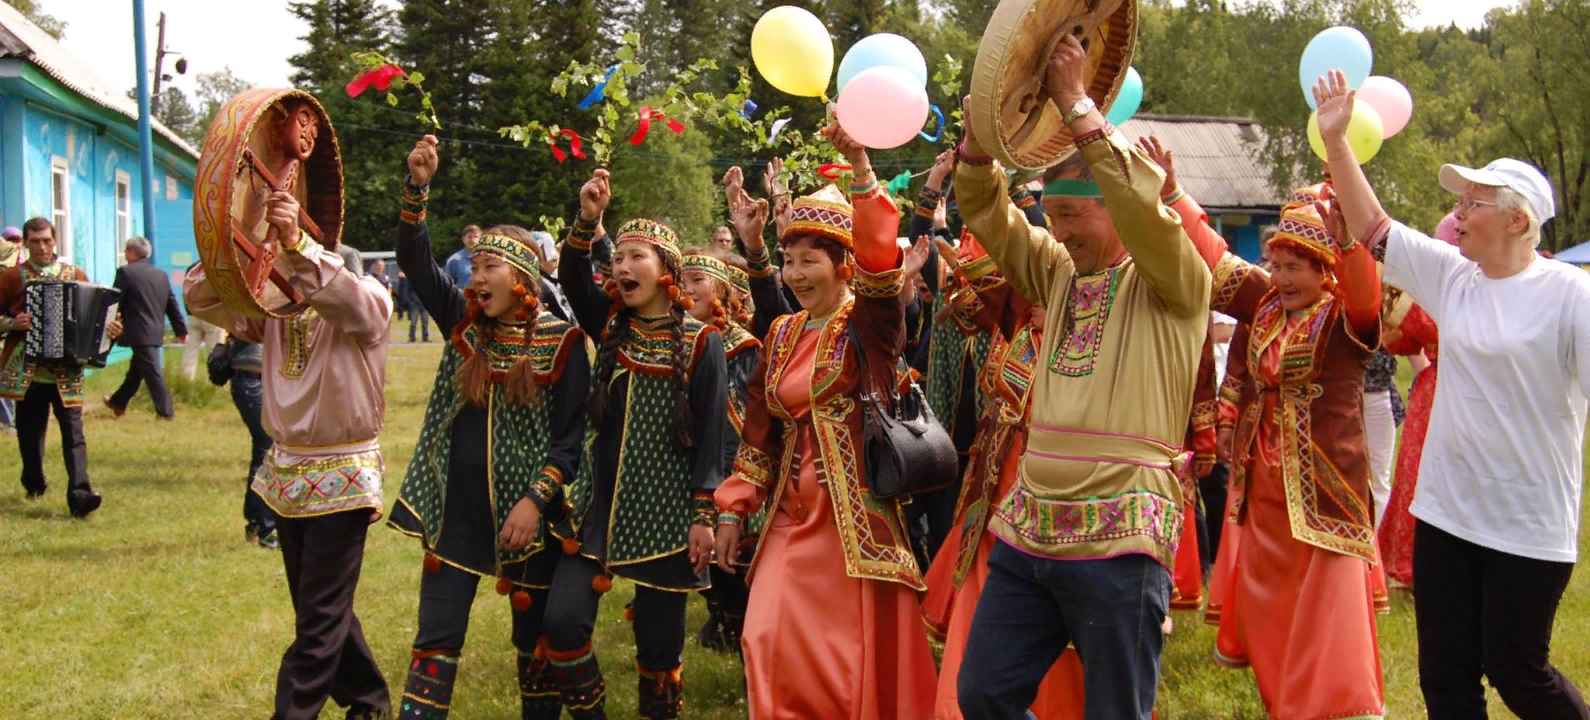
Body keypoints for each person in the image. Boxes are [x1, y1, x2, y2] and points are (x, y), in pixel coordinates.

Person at [950, 35, 1221, 719]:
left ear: (1118, 207)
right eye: (1053, 216)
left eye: (1074, 214)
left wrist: (1075, 100)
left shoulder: (1176, 278)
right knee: (983, 693)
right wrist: (981, 140)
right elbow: (988, 214)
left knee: (1115, 712)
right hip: (1030, 527)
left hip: (1121, 538)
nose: (1060, 231)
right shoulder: (1060, 271)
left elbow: (1144, 208)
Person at [1318, 68, 1590, 719]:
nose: (1457, 214)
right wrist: (1336, 141)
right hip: (1448, 512)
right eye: (1460, 202)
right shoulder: (1453, 277)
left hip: (1528, 522)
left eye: (1473, 203)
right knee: (1445, 678)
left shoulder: (1569, 296)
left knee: (1517, 672)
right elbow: (1374, 228)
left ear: (1519, 220)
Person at [713, 122, 938, 720]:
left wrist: (862, 171)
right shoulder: (783, 332)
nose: (794, 275)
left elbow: (882, 274)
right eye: (788, 262)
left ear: (844, 266)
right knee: (763, 638)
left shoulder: (870, 326)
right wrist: (734, 507)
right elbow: (761, 428)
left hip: (853, 523)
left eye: (809, 261)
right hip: (791, 515)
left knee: (841, 664)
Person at [388, 136, 591, 720]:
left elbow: (570, 442)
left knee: (535, 654)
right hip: (457, 517)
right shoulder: (464, 324)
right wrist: (418, 187)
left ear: (523, 276)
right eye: (473, 267)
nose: (476, 278)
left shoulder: (565, 341)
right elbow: (416, 261)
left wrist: (534, 501)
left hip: (528, 520)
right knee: (434, 640)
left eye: (489, 266)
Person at [184, 191, 393, 720]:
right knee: (320, 606)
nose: (292, 277)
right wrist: (240, 243)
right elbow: (203, 298)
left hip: (343, 474)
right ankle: (368, 702)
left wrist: (297, 244)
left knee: (318, 618)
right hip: (288, 474)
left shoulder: (370, 302)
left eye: (301, 268)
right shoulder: (277, 311)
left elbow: (344, 297)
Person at [544, 168, 727, 720]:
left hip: (668, 518)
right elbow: (575, 273)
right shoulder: (610, 325)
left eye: (636, 257)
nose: (622, 267)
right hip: (599, 515)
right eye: (618, 258)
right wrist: (588, 218)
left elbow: (713, 438)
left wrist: (703, 515)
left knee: (658, 652)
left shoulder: (702, 342)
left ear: (668, 271)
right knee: (562, 622)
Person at [1206, 194, 1386, 719]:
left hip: (1326, 491)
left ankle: (1326, 708)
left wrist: (1350, 244)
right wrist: (1171, 196)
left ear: (1325, 270)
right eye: (1276, 266)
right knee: (1269, 607)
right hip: (1265, 483)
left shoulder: (1346, 318)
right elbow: (1215, 256)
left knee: (1326, 616)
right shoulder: (1264, 312)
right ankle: (1281, 701)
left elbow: (1366, 293)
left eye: (1294, 268)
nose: (1281, 278)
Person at [0, 217, 121, 517]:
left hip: (67, 372)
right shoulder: (11, 278)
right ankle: (34, 480)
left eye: (46, 240)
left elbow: (94, 317)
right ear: (25, 243)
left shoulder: (74, 273)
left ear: (55, 240)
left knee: (74, 433)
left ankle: (80, 495)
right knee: (29, 434)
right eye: (35, 241)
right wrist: (12, 323)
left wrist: (110, 329)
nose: (42, 247)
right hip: (28, 373)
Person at [678, 243, 760, 653]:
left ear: (724, 294)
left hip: (732, 464)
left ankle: (735, 624)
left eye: (698, 281)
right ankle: (723, 619)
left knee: (732, 562)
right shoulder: (678, 339)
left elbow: (745, 420)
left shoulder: (743, 346)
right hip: (694, 458)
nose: (686, 289)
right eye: (681, 281)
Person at [106, 237, 187, 419]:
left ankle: (166, 413)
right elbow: (172, 304)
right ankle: (117, 402)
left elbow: (114, 300)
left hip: (137, 331)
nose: (125, 254)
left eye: (126, 251)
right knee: (137, 371)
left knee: (152, 373)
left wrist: (105, 323)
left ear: (132, 253)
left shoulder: (125, 273)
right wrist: (181, 330)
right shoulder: (160, 275)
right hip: (154, 331)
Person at [212, 334, 277, 548]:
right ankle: (265, 528)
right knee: (267, 451)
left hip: (258, 378)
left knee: (265, 450)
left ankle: (257, 523)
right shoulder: (263, 304)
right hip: (252, 378)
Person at [183, 261, 229, 381]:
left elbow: (185, 291)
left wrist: (189, 312)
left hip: (193, 314)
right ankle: (217, 381)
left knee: (190, 351)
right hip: (213, 316)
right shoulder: (218, 267)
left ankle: (186, 380)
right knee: (215, 352)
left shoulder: (192, 267)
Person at [444, 225, 481, 290]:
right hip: (462, 299)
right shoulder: (454, 260)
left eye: (476, 237)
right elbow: (447, 286)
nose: (472, 240)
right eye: (469, 237)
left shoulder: (486, 258)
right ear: (463, 239)